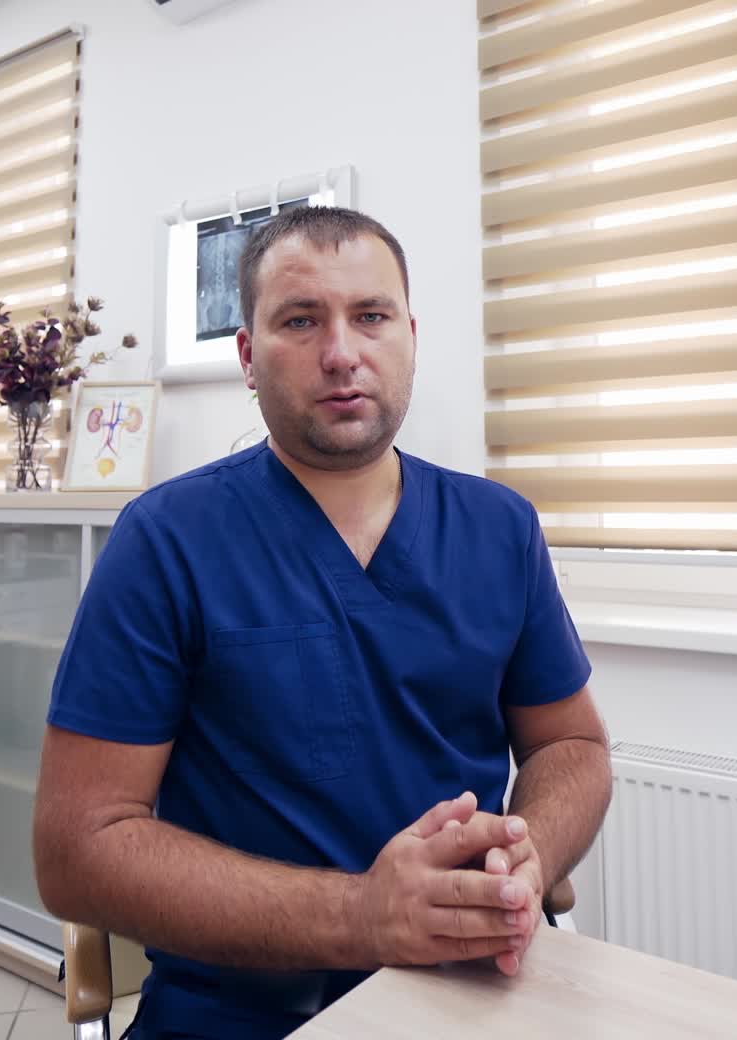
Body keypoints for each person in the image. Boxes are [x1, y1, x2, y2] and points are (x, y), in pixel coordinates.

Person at [34, 206, 612, 1039]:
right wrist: (361, 915)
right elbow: (77, 849)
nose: (342, 353)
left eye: (371, 316)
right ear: (247, 355)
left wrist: (532, 853)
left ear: (410, 336)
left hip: (471, 992)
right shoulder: (166, 542)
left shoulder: (500, 528)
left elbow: (573, 745)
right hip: (239, 1013)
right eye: (301, 321)